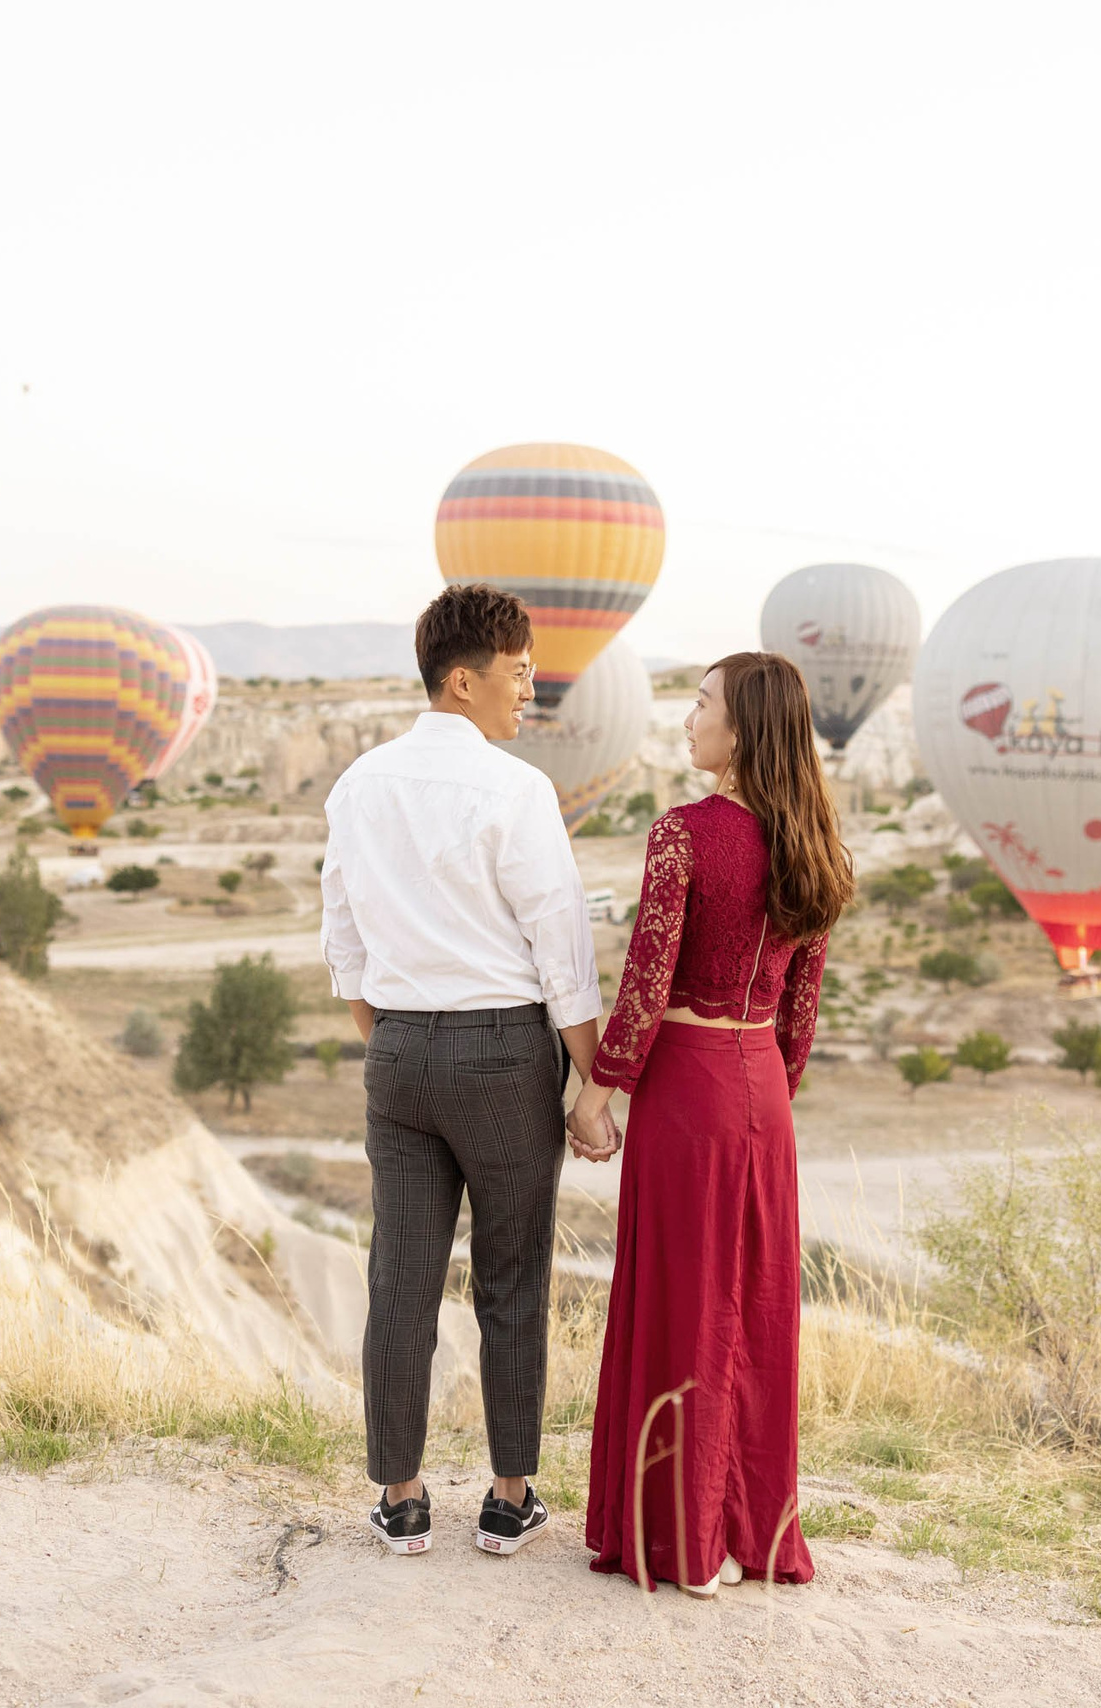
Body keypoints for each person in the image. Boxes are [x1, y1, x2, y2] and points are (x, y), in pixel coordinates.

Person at [320, 583, 605, 1559]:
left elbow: (344, 947)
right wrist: (593, 1083)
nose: (531, 690)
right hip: (501, 1051)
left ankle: (401, 1500)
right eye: (518, 672)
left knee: (400, 1278)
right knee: (512, 1278)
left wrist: (400, 1038)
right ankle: (506, 1497)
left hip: (397, 1050)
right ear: (461, 678)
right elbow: (561, 947)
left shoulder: (357, 784)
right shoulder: (515, 790)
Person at [570, 650, 853, 1595]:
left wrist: (600, 1091)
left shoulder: (685, 835)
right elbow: (801, 1018)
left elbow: (647, 984)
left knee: (682, 1305)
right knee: (753, 1311)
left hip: (688, 1087)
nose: (687, 721)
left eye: (700, 706)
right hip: (762, 1090)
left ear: (739, 731)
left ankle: (681, 1542)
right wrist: (766, 1093)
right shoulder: (816, 843)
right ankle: (745, 1534)